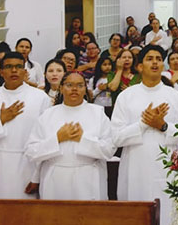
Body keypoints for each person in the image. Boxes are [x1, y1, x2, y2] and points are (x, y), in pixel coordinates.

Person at [111, 45, 178, 225]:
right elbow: (116, 137)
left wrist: (162, 126)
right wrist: (143, 124)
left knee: (167, 214)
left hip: (167, 169)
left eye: (158, 59)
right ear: (139, 66)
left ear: (163, 65)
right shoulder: (126, 96)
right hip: (134, 168)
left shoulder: (175, 97)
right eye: (149, 58)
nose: (154, 62)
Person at [0, 51, 51, 198]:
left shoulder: (40, 98)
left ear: (24, 71)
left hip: (28, 165)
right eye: (8, 66)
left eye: (18, 67)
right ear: (1, 72)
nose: (14, 71)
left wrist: (37, 176)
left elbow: (46, 139)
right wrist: (0, 120)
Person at [25, 72, 115, 200]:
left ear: (85, 89)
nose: (74, 89)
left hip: (88, 180)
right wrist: (58, 138)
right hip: (55, 180)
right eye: (69, 85)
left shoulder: (98, 114)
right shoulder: (48, 115)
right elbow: (31, 151)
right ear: (61, 88)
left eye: (79, 85)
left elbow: (109, 150)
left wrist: (82, 139)